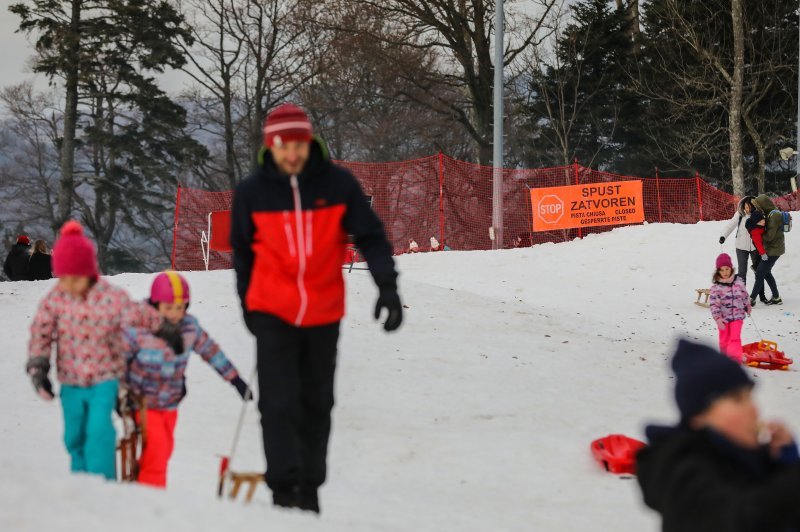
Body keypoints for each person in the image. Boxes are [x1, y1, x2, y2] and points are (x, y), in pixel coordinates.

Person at [231, 103, 403, 514]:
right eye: (283, 145)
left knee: (316, 401)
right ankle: (281, 489)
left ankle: (308, 490)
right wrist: (248, 306)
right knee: (276, 403)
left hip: (323, 312)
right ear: (270, 147)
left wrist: (387, 287)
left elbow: (372, 237)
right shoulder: (253, 192)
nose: (292, 153)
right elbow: (243, 254)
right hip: (272, 310)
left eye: (299, 144)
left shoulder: (337, 184)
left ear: (309, 143)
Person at [25, 221, 163, 480]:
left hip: (104, 378)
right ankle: (80, 484)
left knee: (99, 432)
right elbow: (41, 332)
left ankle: (102, 485)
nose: (70, 284)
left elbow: (137, 314)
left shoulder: (108, 296)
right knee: (73, 436)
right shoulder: (56, 298)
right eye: (64, 277)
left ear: (88, 272)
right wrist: (39, 366)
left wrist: (162, 323)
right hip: (71, 382)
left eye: (75, 278)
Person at [637, 339, 800, 532]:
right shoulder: (683, 473)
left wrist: (785, 463)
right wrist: (793, 477)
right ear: (699, 417)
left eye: (750, 397)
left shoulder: (749, 459)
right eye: (737, 399)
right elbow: (741, 518)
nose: (753, 409)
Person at [121, 271, 251, 488]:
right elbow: (117, 359)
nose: (175, 313)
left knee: (164, 449)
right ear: (155, 304)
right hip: (142, 402)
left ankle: (140, 482)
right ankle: (150, 495)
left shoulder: (189, 327)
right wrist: (117, 393)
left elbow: (211, 351)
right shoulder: (138, 327)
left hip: (171, 402)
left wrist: (235, 379)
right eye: (168, 307)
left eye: (180, 307)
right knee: (159, 448)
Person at [709, 253, 750, 363]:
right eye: (722, 270)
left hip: (738, 317)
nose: (725, 272)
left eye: (727, 269)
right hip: (723, 319)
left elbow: (744, 295)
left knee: (735, 339)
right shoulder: (716, 288)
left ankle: (735, 359)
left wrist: (747, 305)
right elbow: (714, 305)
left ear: (731, 268)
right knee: (724, 341)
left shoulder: (739, 283)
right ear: (718, 271)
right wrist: (718, 318)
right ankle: (724, 358)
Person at [750, 195, 784, 306]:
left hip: (773, 250)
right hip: (772, 249)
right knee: (766, 273)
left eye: (758, 206)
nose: (758, 209)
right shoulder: (771, 214)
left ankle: (751, 299)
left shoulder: (774, 215)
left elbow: (769, 237)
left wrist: (757, 235)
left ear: (763, 205)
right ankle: (776, 297)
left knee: (760, 273)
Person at [719, 196, 756, 284]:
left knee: (758, 271)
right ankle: (742, 294)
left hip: (756, 247)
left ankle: (761, 295)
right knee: (742, 272)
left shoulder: (757, 215)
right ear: (743, 206)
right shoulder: (740, 214)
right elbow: (731, 225)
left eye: (751, 207)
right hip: (741, 247)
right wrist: (723, 236)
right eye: (747, 207)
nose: (748, 209)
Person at [745, 211, 771, 305]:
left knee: (762, 272)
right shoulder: (755, 231)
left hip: (760, 248)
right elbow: (758, 244)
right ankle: (755, 266)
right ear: (756, 223)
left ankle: (761, 296)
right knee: (760, 272)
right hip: (758, 249)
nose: (763, 222)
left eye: (763, 220)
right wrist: (763, 253)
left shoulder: (760, 225)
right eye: (760, 222)